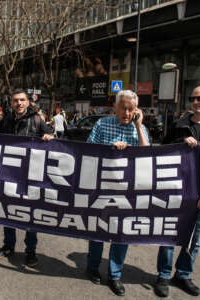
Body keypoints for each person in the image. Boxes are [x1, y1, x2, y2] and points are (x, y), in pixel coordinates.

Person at [154, 86, 200, 298]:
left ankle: (183, 274)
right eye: (193, 98)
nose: (196, 101)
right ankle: (163, 275)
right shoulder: (178, 126)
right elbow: (162, 151)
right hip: (177, 193)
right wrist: (180, 142)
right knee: (170, 236)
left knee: (193, 240)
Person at [86, 90, 149, 296]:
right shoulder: (102, 124)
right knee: (98, 230)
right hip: (102, 187)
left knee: (121, 233)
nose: (127, 112)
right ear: (115, 106)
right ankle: (93, 268)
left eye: (132, 109)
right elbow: (88, 150)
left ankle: (115, 275)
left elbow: (147, 154)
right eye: (124, 108)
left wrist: (139, 126)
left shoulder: (139, 127)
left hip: (127, 192)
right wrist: (109, 149)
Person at [0, 89, 53, 267]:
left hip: (30, 177)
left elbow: (53, 140)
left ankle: (31, 251)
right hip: (9, 175)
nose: (19, 103)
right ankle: (8, 246)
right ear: (11, 103)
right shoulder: (5, 122)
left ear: (28, 102)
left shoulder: (37, 120)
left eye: (22, 100)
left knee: (30, 215)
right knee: (8, 211)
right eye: (15, 101)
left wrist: (50, 137)